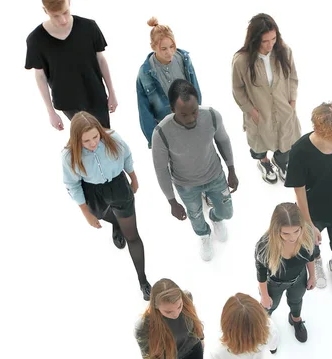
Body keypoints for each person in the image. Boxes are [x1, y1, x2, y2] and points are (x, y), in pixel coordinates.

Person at [61, 112, 151, 300]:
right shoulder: (69, 156)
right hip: (93, 192)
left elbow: (127, 156)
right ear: (77, 140)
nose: (93, 143)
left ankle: (142, 280)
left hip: (118, 185)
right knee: (102, 215)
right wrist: (86, 213)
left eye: (95, 137)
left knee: (132, 235)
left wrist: (133, 178)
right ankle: (115, 223)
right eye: (86, 141)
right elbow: (72, 185)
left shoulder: (113, 139)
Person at [152, 79, 238, 261]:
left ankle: (216, 218)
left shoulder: (212, 116)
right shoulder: (161, 133)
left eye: (194, 112)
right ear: (172, 109)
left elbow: (223, 141)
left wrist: (231, 168)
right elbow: (161, 170)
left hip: (214, 175)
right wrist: (171, 201)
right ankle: (204, 235)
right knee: (195, 216)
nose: (191, 119)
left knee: (227, 212)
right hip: (186, 185)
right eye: (184, 114)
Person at [285, 102, 332, 297]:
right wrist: (309, 223)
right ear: (318, 131)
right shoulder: (300, 151)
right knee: (311, 245)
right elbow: (299, 189)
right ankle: (317, 259)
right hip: (313, 207)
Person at [25, 0, 117, 130]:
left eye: (65, 12)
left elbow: (101, 60)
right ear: (45, 11)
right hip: (67, 101)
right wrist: (51, 112)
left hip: (96, 95)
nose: (62, 20)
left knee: (104, 136)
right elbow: (40, 76)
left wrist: (112, 93)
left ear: (69, 3)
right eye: (55, 16)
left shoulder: (89, 27)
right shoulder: (35, 40)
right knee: (85, 139)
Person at [232, 13, 301, 184]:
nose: (271, 45)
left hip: (284, 108)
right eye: (265, 41)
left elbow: (293, 77)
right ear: (255, 39)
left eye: (274, 39)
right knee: (260, 143)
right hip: (259, 112)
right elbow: (237, 89)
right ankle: (264, 163)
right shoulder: (241, 61)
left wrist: (292, 101)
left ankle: (281, 162)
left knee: (287, 140)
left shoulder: (284, 52)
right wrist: (250, 110)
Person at [255, 203, 316, 345]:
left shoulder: (307, 233)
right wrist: (264, 295)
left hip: (299, 278)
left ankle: (295, 319)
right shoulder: (265, 246)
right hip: (275, 283)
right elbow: (261, 271)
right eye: (286, 233)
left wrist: (312, 275)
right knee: (268, 307)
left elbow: (311, 255)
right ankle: (262, 325)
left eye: (296, 231)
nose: (292, 237)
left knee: (296, 301)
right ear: (277, 230)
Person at [137, 17, 202, 148]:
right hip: (166, 127)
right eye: (164, 48)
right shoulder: (145, 73)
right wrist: (153, 140)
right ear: (153, 47)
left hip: (189, 118)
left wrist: (198, 116)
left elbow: (195, 89)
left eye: (172, 46)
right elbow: (144, 110)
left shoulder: (184, 59)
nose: (169, 52)